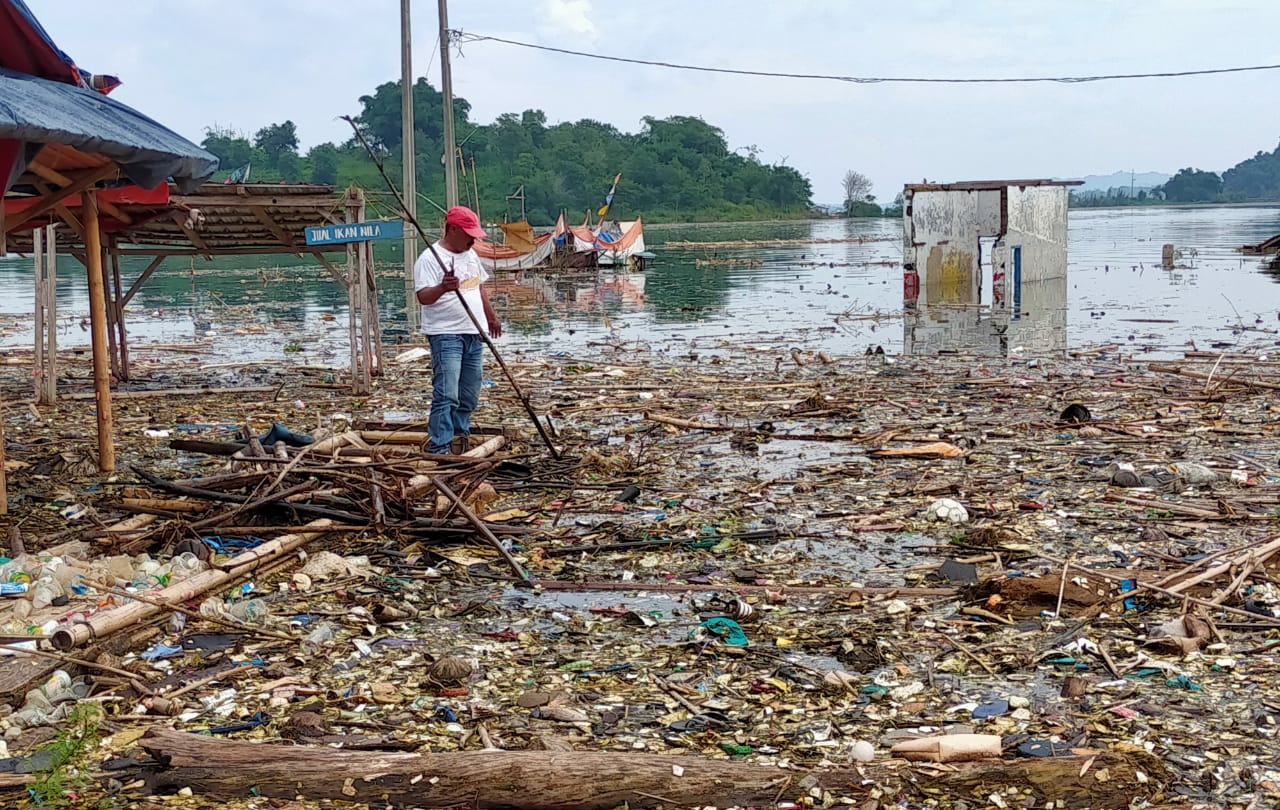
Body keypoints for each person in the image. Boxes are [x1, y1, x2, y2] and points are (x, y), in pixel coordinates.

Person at [414, 206, 502, 455]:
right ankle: (440, 445)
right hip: (446, 334)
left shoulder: (471, 255)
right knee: (446, 393)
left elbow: (479, 288)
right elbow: (423, 297)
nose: (472, 240)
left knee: (469, 392)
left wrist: (491, 317)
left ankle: (460, 435)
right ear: (452, 229)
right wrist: (443, 287)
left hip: (473, 332)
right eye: (468, 234)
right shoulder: (430, 258)